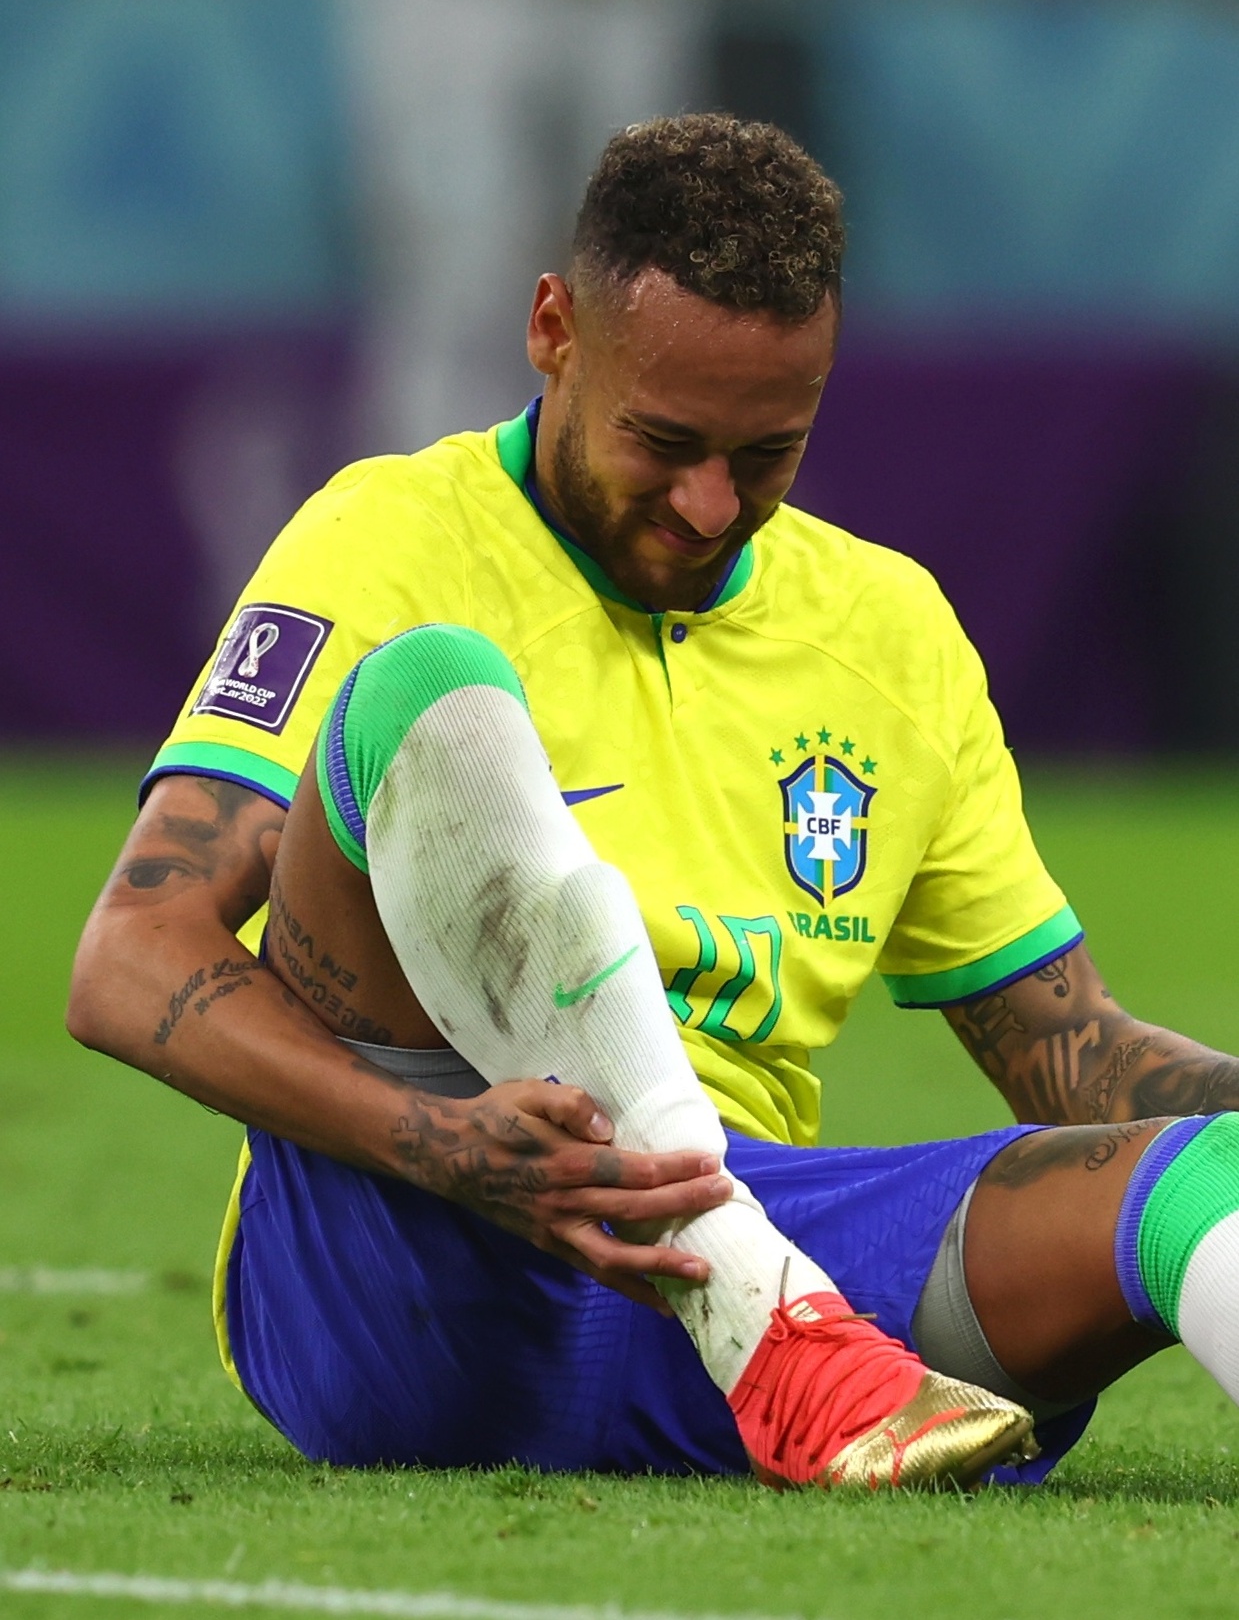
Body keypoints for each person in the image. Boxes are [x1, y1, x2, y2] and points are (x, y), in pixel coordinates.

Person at [69, 114, 1239, 1490]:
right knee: (428, 687)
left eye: (766, 456)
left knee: (1201, 1181)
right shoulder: (388, 536)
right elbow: (130, 953)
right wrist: (438, 1142)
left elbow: (1071, 1046)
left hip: (726, 1253)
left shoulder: (891, 632)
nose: (705, 504)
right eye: (665, 440)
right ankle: (770, 1320)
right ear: (554, 331)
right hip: (416, 1252)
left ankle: (773, 1324)